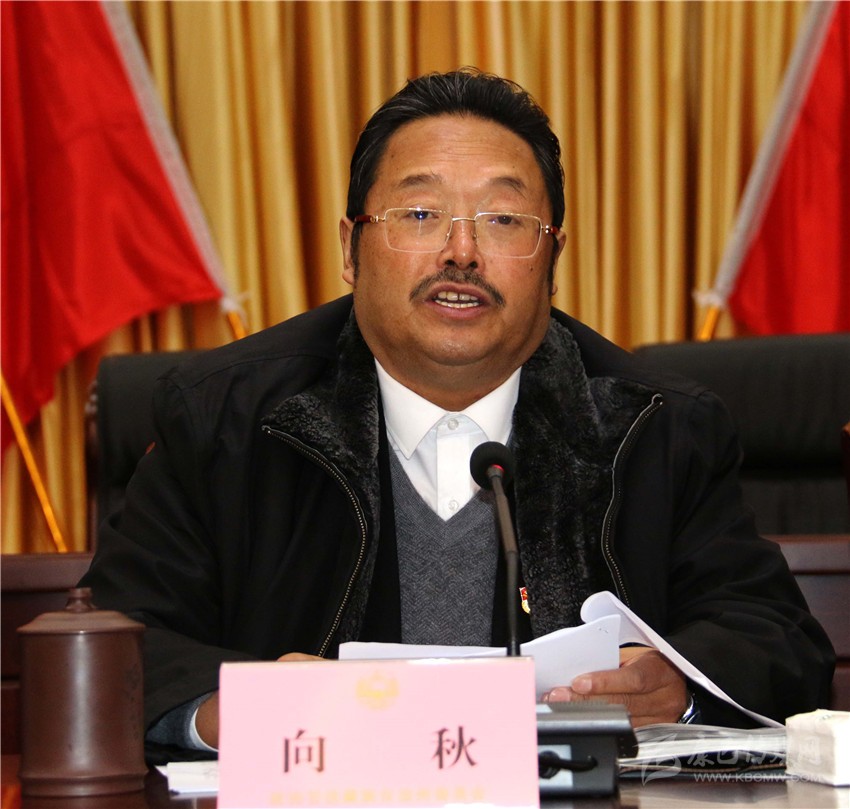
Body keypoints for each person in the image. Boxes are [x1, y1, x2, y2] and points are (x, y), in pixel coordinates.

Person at [80, 68, 834, 760]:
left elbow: (779, 641)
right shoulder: (224, 418)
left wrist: (680, 687)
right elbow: (115, 641)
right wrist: (238, 708)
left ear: (553, 258)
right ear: (351, 249)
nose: (462, 251)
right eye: (419, 212)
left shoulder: (657, 426)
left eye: (503, 220)